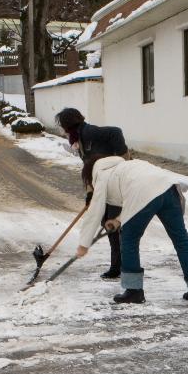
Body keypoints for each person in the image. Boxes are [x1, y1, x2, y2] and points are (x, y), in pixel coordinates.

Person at [75, 154, 188, 305]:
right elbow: (134, 197)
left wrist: (83, 244)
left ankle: (133, 291)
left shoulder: (102, 175)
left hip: (146, 192)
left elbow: (95, 212)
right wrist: (118, 220)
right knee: (181, 238)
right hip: (169, 188)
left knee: (129, 238)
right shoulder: (129, 166)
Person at [56, 108, 127, 280]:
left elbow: (116, 132)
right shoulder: (80, 137)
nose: (62, 129)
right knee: (109, 224)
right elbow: (90, 167)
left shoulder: (89, 132)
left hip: (115, 184)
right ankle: (119, 266)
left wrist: (125, 160)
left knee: (114, 226)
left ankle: (119, 267)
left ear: (67, 125)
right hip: (104, 184)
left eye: (62, 125)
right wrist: (90, 192)